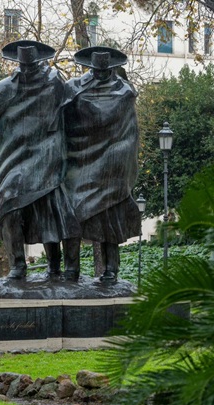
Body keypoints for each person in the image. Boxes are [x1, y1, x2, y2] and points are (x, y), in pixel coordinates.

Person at [0, 40, 80, 280]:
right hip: (15, 156)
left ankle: (55, 266)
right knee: (8, 203)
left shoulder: (54, 82)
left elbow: (72, 114)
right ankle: (17, 265)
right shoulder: (4, 87)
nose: (27, 69)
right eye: (23, 65)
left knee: (50, 210)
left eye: (31, 65)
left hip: (48, 154)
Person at [62, 47, 141, 284]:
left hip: (111, 162)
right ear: (91, 67)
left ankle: (111, 269)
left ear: (112, 68)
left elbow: (130, 132)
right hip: (80, 158)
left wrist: (121, 162)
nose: (101, 74)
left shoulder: (124, 92)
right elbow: (60, 122)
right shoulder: (74, 88)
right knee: (72, 211)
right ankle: (71, 269)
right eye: (97, 70)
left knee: (110, 216)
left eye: (105, 70)